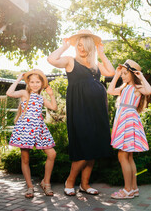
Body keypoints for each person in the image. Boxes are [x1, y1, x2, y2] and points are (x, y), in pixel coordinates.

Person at [47, 29, 115, 196]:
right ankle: (70, 181)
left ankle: (85, 184)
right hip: (80, 109)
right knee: (85, 145)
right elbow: (51, 59)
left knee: (94, 147)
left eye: (84, 45)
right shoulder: (70, 61)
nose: (81, 48)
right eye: (78, 45)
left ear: (90, 46)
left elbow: (111, 72)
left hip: (97, 110)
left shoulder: (95, 65)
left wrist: (101, 53)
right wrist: (64, 46)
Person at [6, 69, 57, 199]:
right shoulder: (24, 93)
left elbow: (53, 107)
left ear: (41, 83)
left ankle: (46, 183)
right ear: (28, 83)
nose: (34, 84)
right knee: (25, 158)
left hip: (39, 129)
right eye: (32, 82)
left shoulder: (41, 97)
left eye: (37, 82)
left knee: (52, 154)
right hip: (26, 129)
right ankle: (29, 186)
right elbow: (9, 93)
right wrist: (18, 79)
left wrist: (51, 95)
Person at [107, 59, 151, 199]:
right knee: (128, 156)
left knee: (122, 155)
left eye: (125, 73)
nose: (123, 76)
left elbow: (150, 90)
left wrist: (141, 76)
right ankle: (133, 188)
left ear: (133, 74)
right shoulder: (125, 86)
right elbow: (110, 91)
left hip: (128, 121)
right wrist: (116, 74)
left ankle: (127, 190)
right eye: (122, 73)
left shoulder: (136, 88)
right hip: (124, 120)